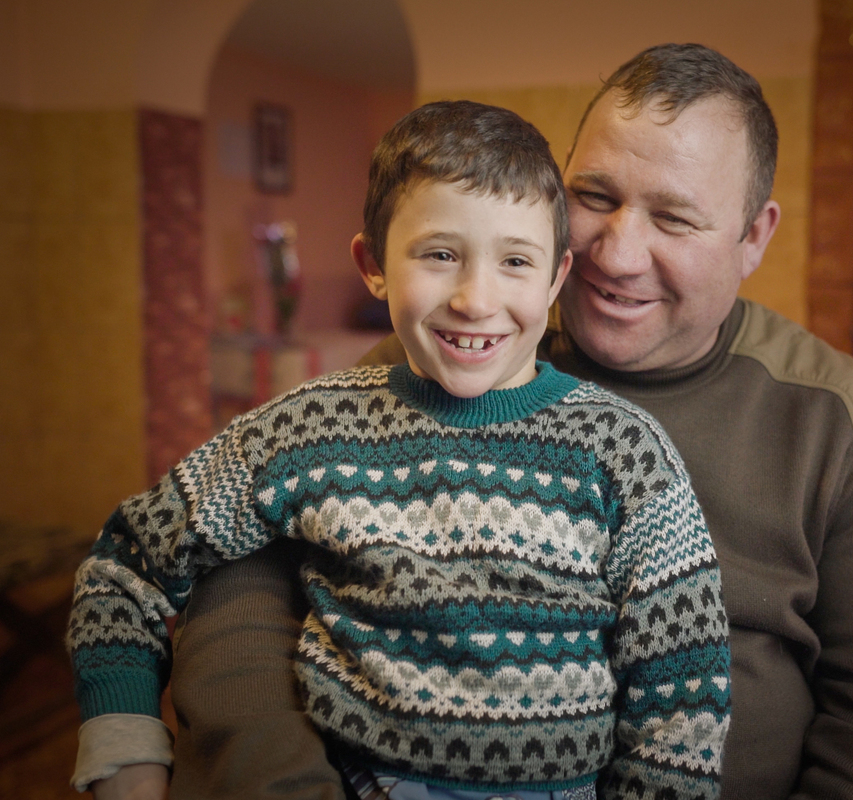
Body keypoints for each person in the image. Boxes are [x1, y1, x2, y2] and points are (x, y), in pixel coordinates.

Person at [99, 43, 853, 799]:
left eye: (675, 217)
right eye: (594, 196)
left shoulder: (845, 418)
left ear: (753, 236)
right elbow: (240, 584)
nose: (616, 254)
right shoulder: (444, 355)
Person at [67, 100, 731, 800]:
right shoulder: (310, 431)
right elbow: (127, 562)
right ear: (373, 263)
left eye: (515, 260)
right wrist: (125, 743)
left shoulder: (624, 451)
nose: (477, 299)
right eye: (440, 255)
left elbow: (682, 695)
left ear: (556, 277)